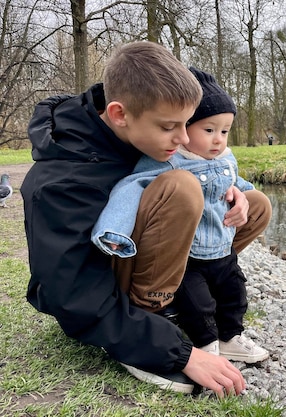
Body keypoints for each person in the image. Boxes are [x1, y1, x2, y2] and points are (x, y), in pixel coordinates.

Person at [21, 41, 268, 396]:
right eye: (170, 126)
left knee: (256, 203)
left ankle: (187, 299)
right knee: (181, 188)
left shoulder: (139, 133)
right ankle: (151, 319)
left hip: (146, 264)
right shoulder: (61, 182)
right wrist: (178, 353)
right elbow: (71, 294)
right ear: (120, 114)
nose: (184, 138)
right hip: (97, 296)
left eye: (187, 123)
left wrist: (234, 191)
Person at [91, 67, 270, 364]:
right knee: (198, 301)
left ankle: (229, 336)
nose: (218, 140)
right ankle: (202, 339)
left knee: (234, 291)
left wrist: (242, 196)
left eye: (225, 132)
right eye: (209, 131)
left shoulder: (225, 158)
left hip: (219, 248)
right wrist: (114, 229)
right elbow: (131, 187)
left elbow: (232, 180)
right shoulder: (170, 159)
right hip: (186, 255)